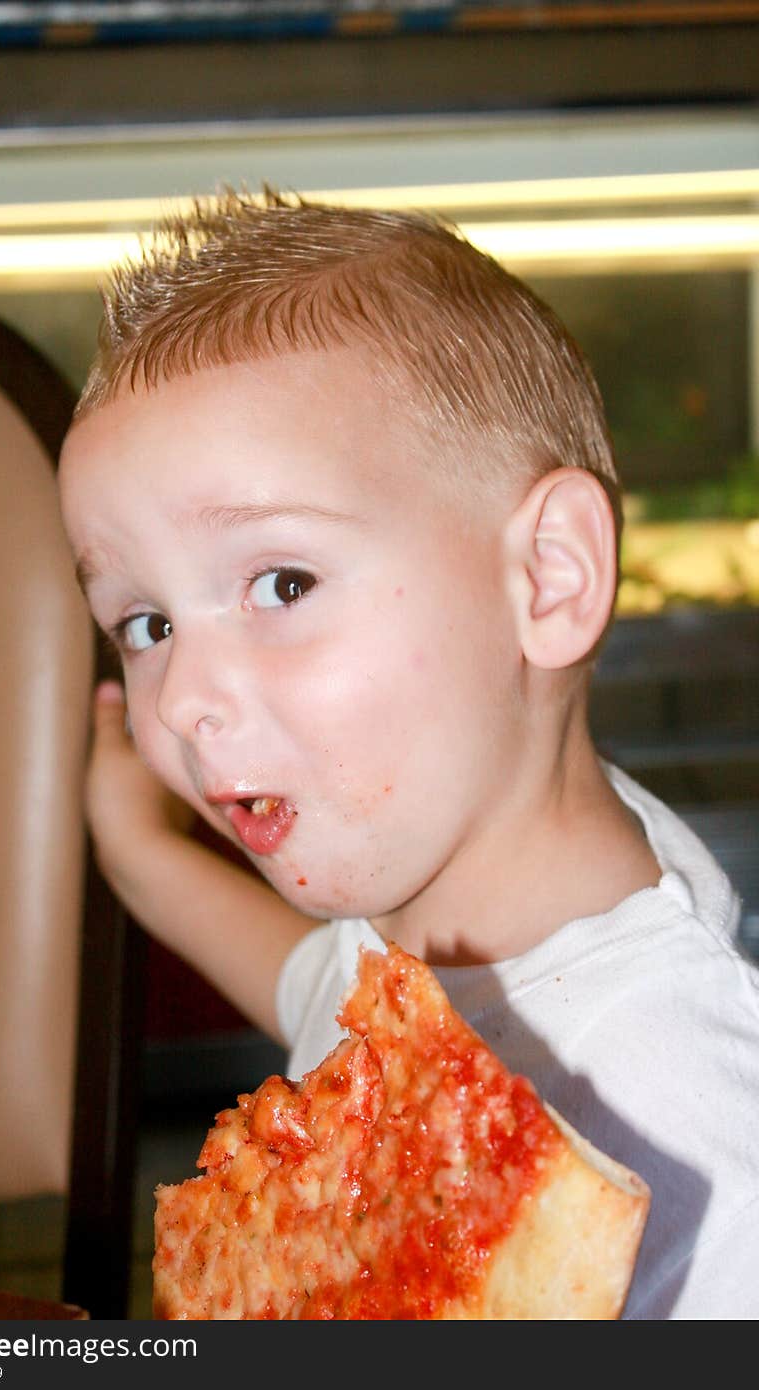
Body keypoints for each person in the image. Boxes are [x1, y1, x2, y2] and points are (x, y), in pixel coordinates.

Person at [58, 189, 759, 1319]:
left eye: (280, 583)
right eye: (145, 624)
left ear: (549, 578)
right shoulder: (420, 918)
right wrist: (137, 853)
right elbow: (308, 979)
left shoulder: (696, 1127)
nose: (181, 699)